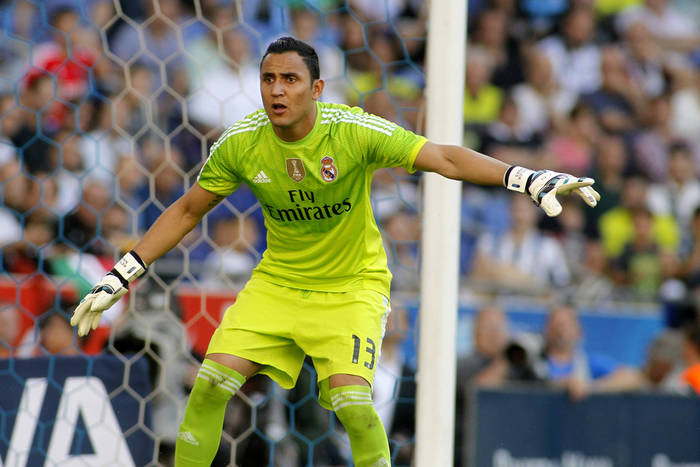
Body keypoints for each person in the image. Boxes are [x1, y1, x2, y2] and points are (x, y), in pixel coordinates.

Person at [70, 37, 599, 467]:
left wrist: (524, 177)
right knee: (210, 384)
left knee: (353, 405)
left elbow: (443, 157)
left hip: (351, 288)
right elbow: (188, 210)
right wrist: (121, 275)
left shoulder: (351, 131)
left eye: (290, 79)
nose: (277, 90)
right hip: (277, 284)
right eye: (268, 79)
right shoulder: (242, 142)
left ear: (317, 88)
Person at [534, 304, 645, 400]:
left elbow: (633, 377)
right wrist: (562, 384)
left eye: (568, 325)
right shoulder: (535, 362)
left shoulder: (588, 362)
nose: (561, 331)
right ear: (546, 330)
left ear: (580, 331)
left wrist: (590, 387)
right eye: (558, 325)